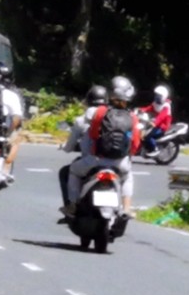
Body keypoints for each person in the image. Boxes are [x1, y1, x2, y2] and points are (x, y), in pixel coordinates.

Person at [60, 79, 142, 218]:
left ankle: (72, 206)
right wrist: (128, 155)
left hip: (96, 160)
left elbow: (93, 135)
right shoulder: (133, 117)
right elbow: (135, 144)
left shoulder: (100, 112)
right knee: (128, 177)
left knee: (73, 171)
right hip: (120, 162)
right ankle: (126, 208)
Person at [143, 84, 174, 149]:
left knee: (148, 136)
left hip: (163, 126)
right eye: (156, 95)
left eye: (159, 95)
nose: (156, 97)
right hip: (156, 124)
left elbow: (161, 117)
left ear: (163, 96)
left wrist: (154, 123)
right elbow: (149, 108)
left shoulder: (166, 106)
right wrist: (141, 110)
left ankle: (155, 149)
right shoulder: (156, 103)